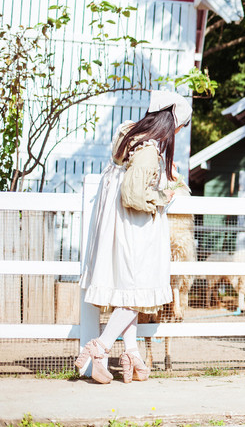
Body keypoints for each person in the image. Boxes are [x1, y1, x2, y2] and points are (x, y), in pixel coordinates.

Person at [75, 90, 192, 384]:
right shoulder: (149, 151)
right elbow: (134, 195)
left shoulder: (130, 139)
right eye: (179, 126)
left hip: (118, 227)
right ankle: (99, 347)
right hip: (135, 229)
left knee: (129, 290)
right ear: (169, 123)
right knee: (138, 288)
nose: (177, 132)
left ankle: (131, 354)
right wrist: (165, 195)